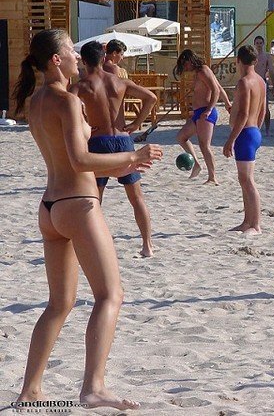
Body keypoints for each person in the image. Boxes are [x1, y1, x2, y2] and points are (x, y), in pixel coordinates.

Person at [12, 29, 162, 410]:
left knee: (59, 304)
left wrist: (121, 163)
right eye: (70, 51)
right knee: (110, 295)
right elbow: (80, 161)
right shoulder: (66, 100)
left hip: (50, 208)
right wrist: (133, 156)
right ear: (56, 60)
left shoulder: (37, 101)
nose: (77, 56)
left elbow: (67, 160)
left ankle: (30, 390)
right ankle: (93, 387)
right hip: (78, 203)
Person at [70, 41, 158, 258]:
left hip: (98, 142)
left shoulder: (81, 86)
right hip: (123, 140)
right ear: (104, 58)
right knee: (136, 198)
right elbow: (151, 98)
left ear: (83, 61)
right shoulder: (120, 82)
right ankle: (147, 245)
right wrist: (137, 123)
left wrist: (84, 123)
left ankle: (92, 245)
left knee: (94, 199)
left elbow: (67, 110)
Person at [222, 45, 266, 233]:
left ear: (238, 61)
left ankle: (255, 224)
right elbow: (263, 109)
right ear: (255, 61)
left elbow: (243, 114)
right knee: (244, 179)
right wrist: (257, 130)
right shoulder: (261, 81)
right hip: (253, 131)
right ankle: (247, 221)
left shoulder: (244, 82)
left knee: (247, 180)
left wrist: (230, 139)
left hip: (245, 133)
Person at [175, 49, 232, 184]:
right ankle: (196, 164)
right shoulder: (199, 72)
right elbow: (219, 87)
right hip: (198, 113)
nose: (185, 68)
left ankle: (212, 177)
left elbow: (216, 90)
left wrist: (209, 109)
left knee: (204, 145)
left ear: (190, 60)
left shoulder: (203, 70)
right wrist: (227, 104)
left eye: (185, 64)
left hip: (206, 112)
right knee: (181, 137)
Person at [253, 35, 274, 136]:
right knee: (254, 107)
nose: (259, 45)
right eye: (257, 43)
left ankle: (267, 129)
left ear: (263, 44)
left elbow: (271, 71)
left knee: (265, 107)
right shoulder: (252, 56)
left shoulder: (267, 56)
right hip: (253, 82)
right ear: (254, 44)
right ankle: (255, 128)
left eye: (260, 43)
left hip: (262, 81)